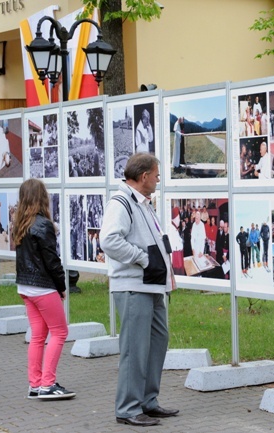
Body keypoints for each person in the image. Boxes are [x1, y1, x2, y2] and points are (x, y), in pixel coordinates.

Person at [99, 153, 178, 427]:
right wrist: (142, 259)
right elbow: (108, 240)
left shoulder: (143, 203)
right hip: (134, 287)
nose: (158, 179)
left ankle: (147, 401)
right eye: (156, 174)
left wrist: (166, 274)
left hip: (151, 285)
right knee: (135, 347)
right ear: (143, 176)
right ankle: (128, 408)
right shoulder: (121, 202)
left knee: (158, 340)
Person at [12, 178, 75, 400]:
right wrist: (62, 286)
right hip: (42, 286)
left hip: (25, 286)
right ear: (42, 197)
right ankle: (48, 384)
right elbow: (52, 260)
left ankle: (35, 384)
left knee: (38, 335)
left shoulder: (20, 223)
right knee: (59, 332)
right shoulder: (43, 224)